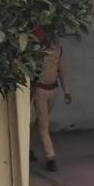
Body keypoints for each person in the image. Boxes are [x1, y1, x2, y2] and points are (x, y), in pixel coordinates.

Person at [30, 27, 72, 172]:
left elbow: (60, 69)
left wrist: (66, 90)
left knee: (40, 122)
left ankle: (28, 148)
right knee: (43, 125)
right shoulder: (35, 50)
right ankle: (50, 158)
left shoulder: (57, 48)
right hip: (39, 90)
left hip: (53, 90)